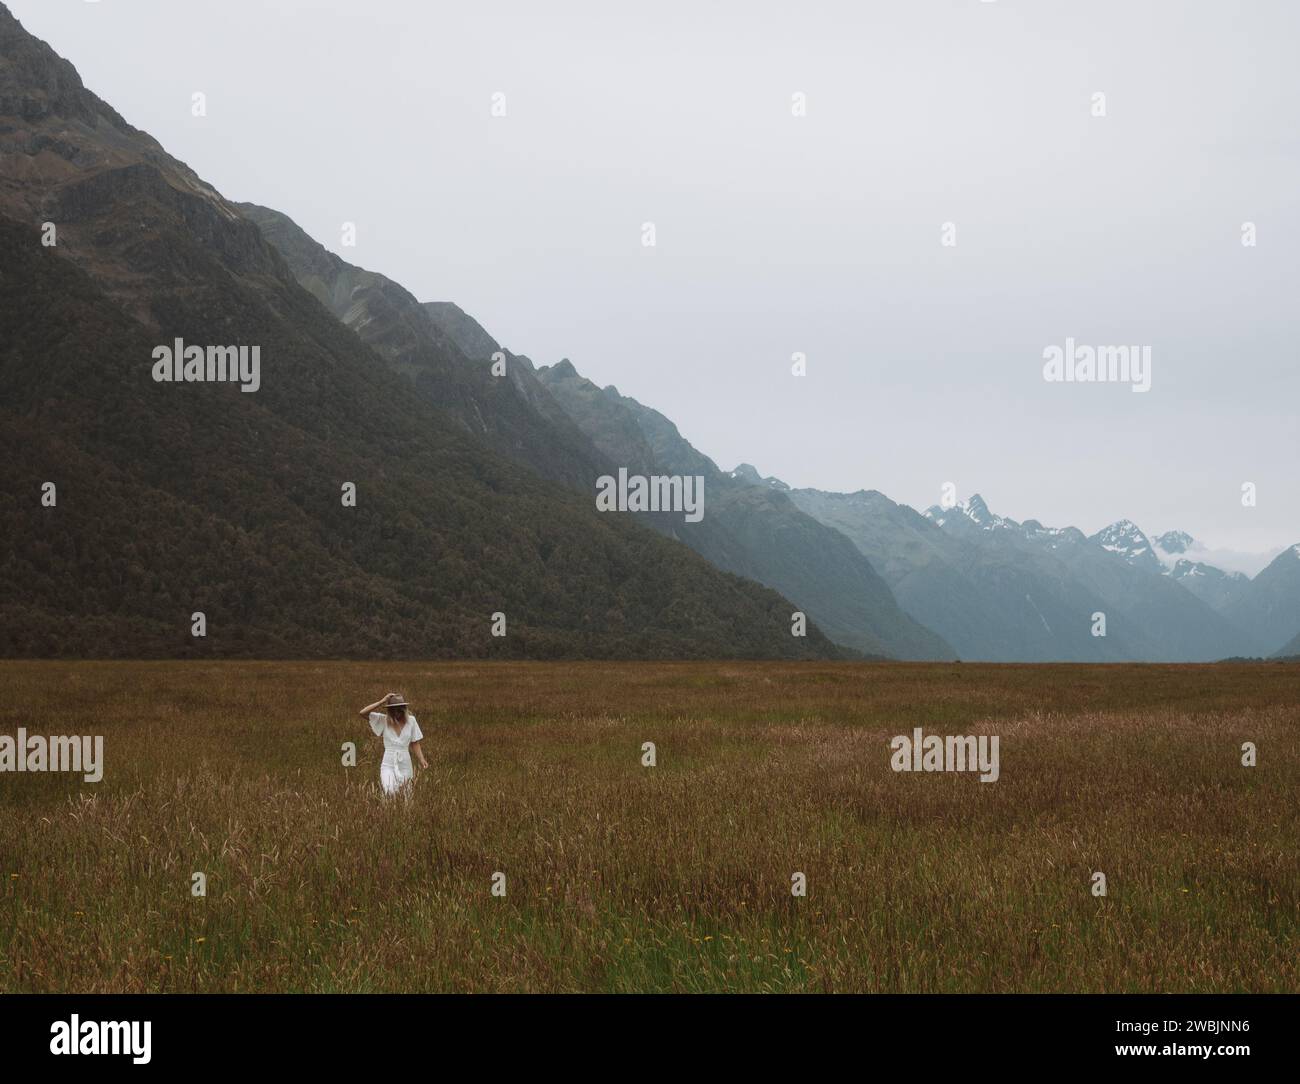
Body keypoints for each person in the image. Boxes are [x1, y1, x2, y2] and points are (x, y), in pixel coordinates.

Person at [357, 691, 428, 795]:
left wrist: (422, 759)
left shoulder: (411, 721)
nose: (396, 713)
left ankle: (404, 812)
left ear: (404, 709)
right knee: (389, 791)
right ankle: (387, 811)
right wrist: (382, 701)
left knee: (406, 795)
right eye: (393, 710)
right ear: (390, 710)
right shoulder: (384, 720)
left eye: (399, 710)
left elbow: (414, 743)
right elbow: (362, 713)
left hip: (405, 764)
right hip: (388, 763)